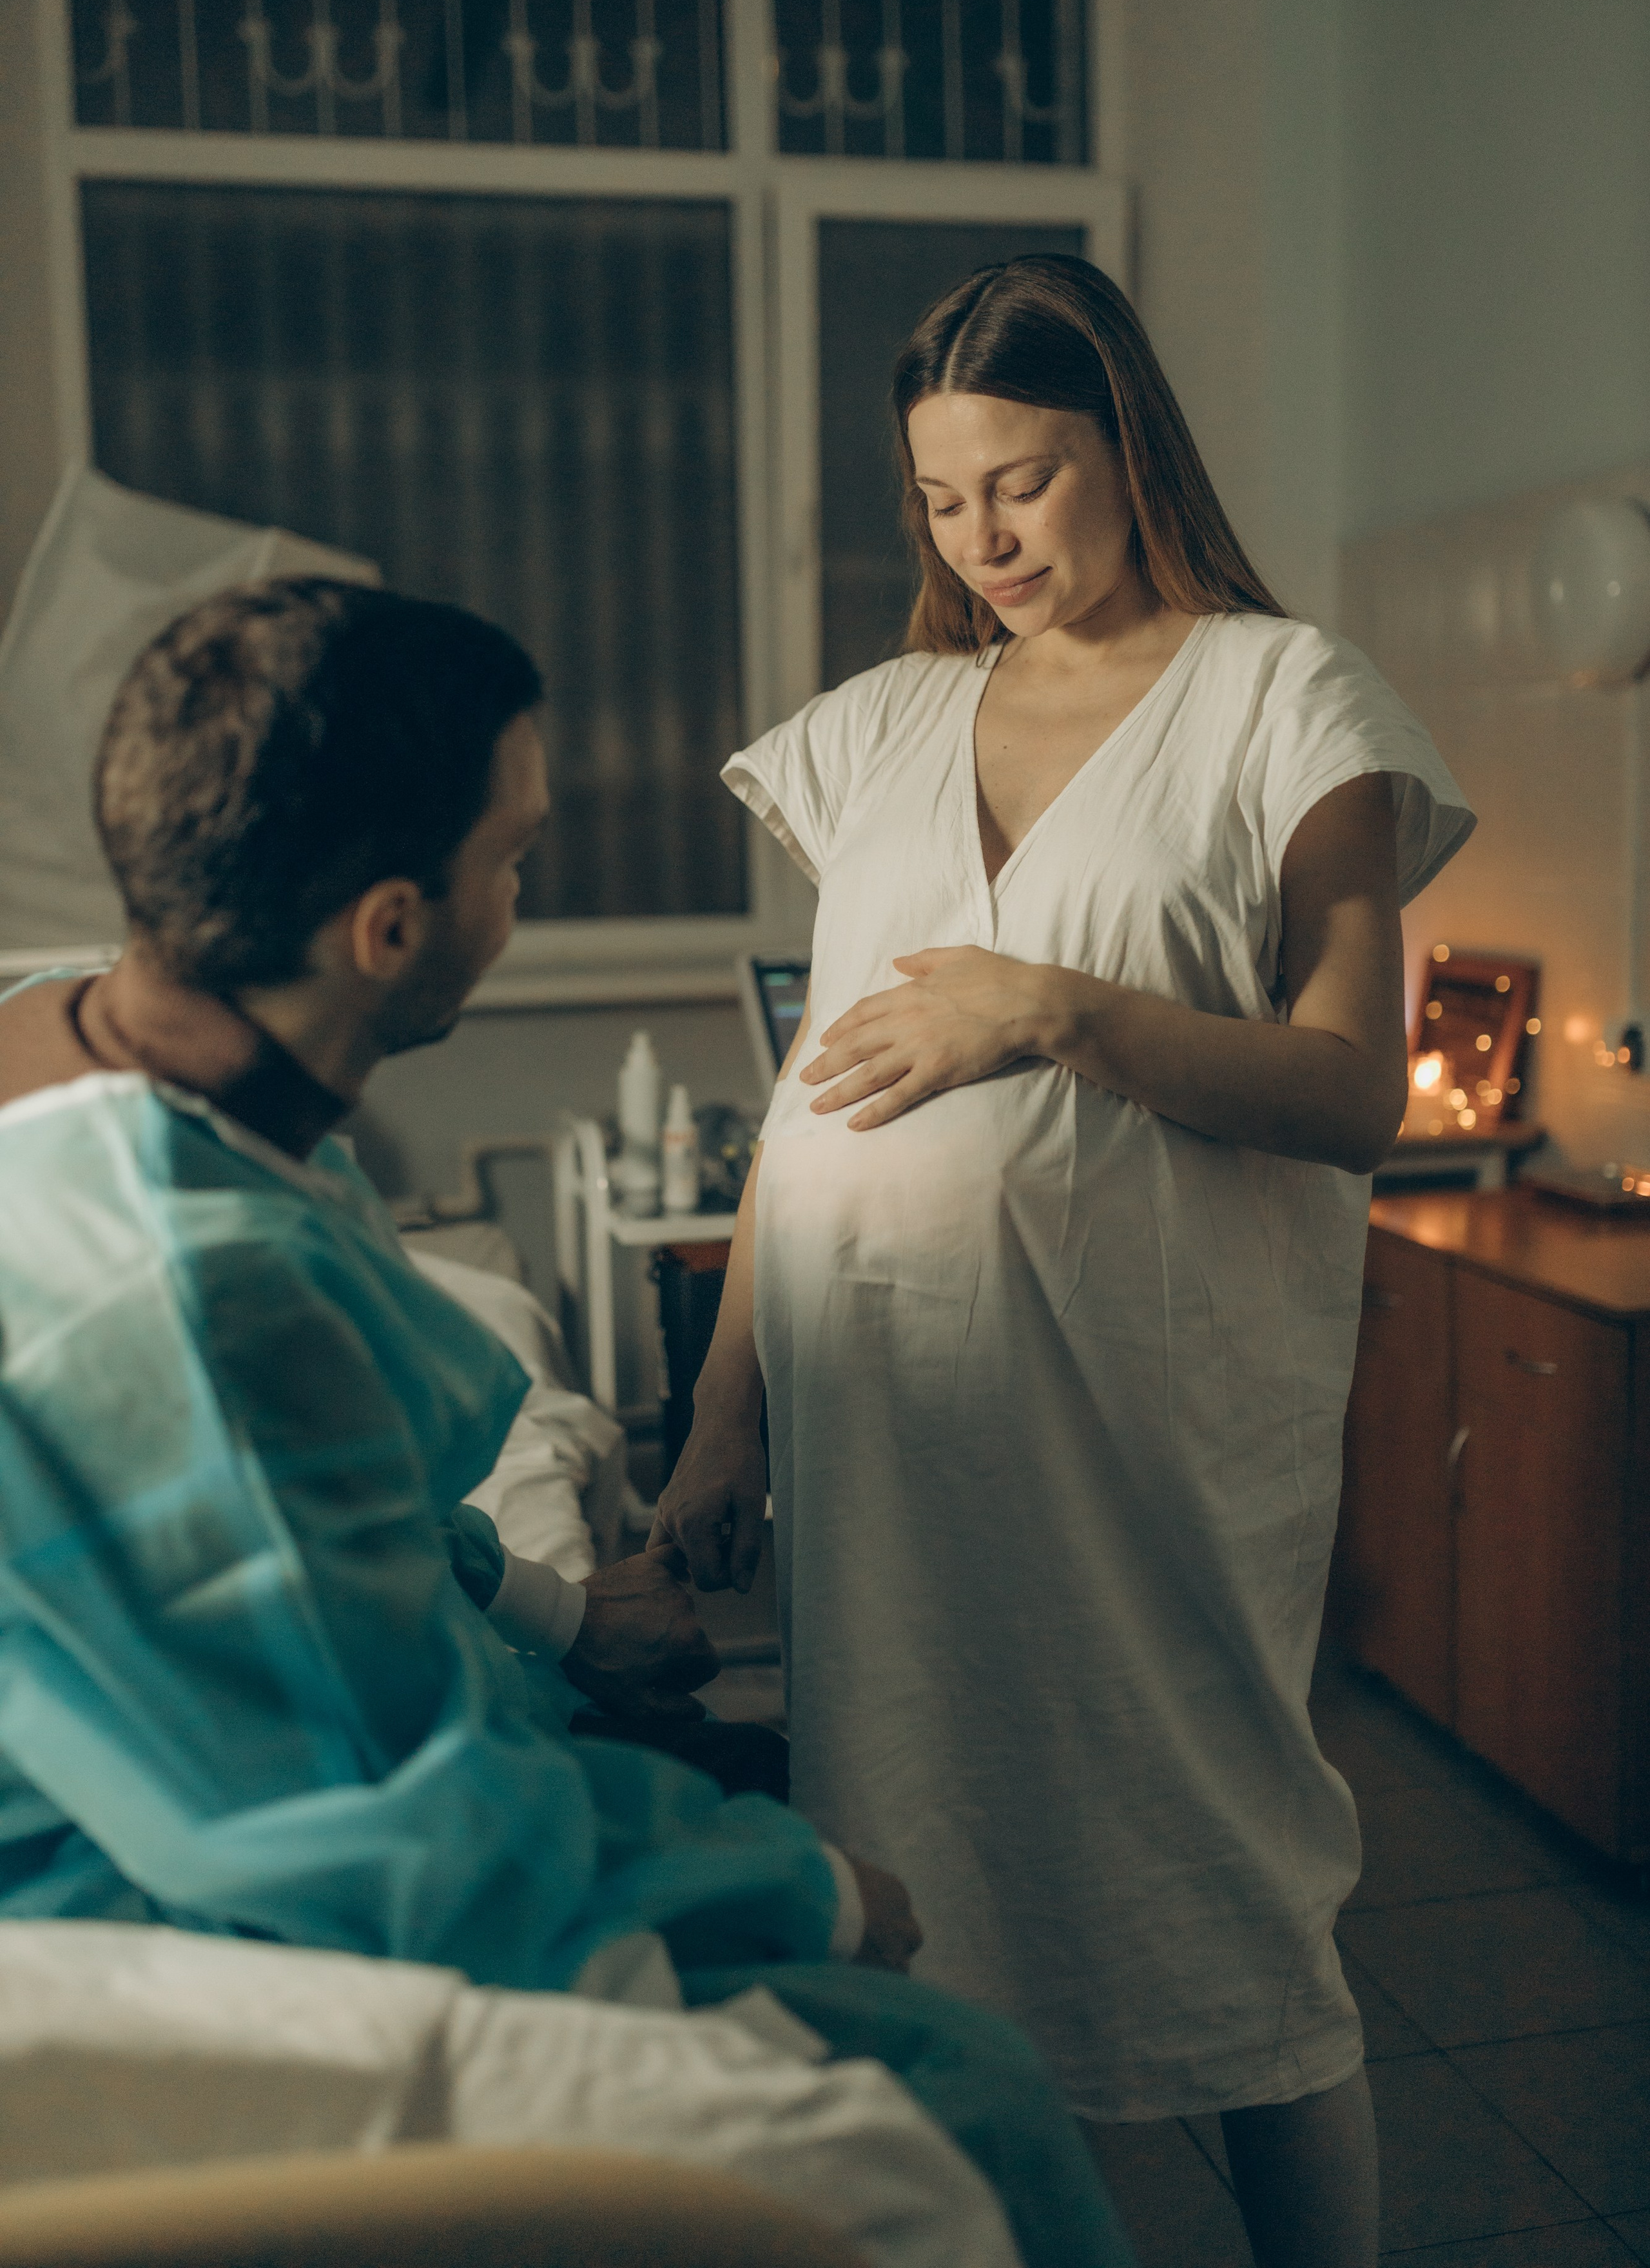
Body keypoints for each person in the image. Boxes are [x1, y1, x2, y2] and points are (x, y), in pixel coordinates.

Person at [0, 576, 1132, 2268]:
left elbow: (311, 1537)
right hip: (158, 1903)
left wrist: (552, 1603)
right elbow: (395, 1853)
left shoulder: (105, 1048)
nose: (523, 895)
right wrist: (801, 1886)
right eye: (513, 863)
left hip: (244, 1769)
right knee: (956, 2109)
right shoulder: (189, 1298)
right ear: (391, 926)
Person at [652, 256, 1476, 2268]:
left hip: (1144, 1431)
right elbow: (814, 1097)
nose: (982, 539)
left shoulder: (1289, 697)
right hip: (891, 1433)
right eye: (940, 500)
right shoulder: (879, 729)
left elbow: (1356, 1087)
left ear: (1128, 443)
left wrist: (1051, 1010)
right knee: (934, 1895)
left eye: (1020, 480)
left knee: (1227, 1899)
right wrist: (718, 1417)